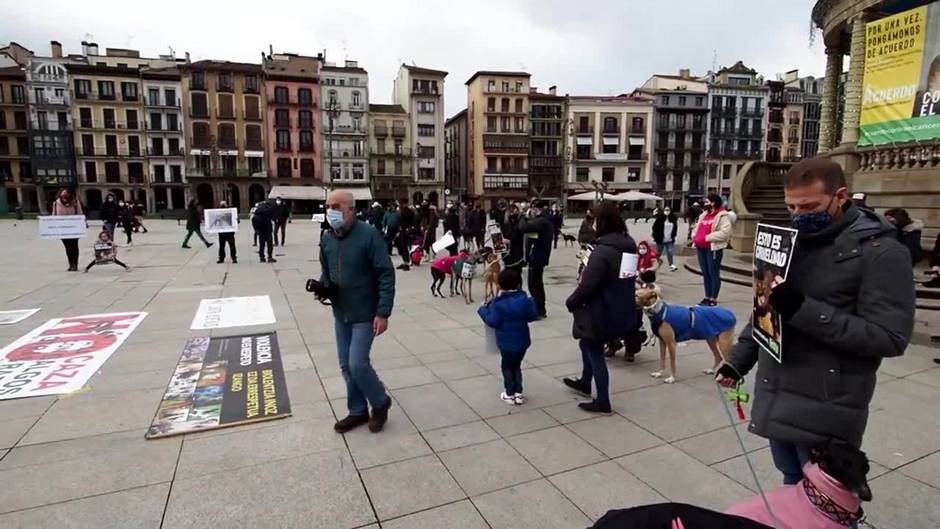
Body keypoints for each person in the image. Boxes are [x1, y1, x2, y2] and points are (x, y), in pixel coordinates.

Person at [716, 156, 915, 487]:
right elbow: (766, 306)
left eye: (808, 206)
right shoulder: (789, 241)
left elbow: (889, 337)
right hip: (778, 392)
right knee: (792, 491)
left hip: (828, 405)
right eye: (791, 207)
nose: (798, 215)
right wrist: (739, 360)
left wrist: (803, 309)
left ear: (840, 196)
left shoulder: (882, 253)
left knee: (829, 504)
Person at [318, 189, 395, 434]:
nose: (331, 211)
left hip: (366, 312)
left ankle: (380, 402)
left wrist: (383, 312)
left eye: (336, 206)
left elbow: (385, 274)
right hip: (341, 312)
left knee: (358, 363)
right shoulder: (328, 238)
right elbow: (326, 271)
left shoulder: (370, 235)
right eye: (328, 206)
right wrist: (323, 287)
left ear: (351, 209)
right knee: (345, 365)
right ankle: (357, 410)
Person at [563, 201, 638, 413]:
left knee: (593, 349)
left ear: (602, 221)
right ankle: (585, 381)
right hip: (621, 306)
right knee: (586, 344)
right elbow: (627, 277)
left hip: (601, 310)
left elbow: (588, 286)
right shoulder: (628, 246)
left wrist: (572, 301)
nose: (591, 223)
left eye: (593, 219)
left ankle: (603, 400)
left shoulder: (602, 251)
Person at [478, 269, 539, 405]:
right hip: (523, 341)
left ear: (499, 285)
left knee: (507, 366)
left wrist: (483, 310)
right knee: (516, 365)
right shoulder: (525, 300)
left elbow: (492, 321)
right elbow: (533, 315)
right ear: (519, 284)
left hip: (506, 344)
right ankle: (518, 393)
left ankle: (509, 393)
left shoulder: (497, 304)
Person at [692, 194, 732, 306]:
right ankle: (707, 296)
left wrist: (707, 237)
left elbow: (725, 233)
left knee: (713, 273)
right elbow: (697, 227)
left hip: (713, 249)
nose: (705, 204)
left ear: (713, 203)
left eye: (707, 201)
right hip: (701, 248)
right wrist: (694, 236)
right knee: (705, 273)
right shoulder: (704, 215)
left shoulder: (723, 216)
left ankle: (713, 298)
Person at [518, 200, 555, 319]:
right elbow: (531, 235)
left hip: (537, 257)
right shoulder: (545, 221)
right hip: (539, 256)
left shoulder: (541, 222)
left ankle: (539, 310)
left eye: (532, 209)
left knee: (534, 285)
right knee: (537, 284)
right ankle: (540, 309)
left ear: (536, 209)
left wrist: (523, 216)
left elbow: (523, 228)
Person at [52, 188, 83, 271]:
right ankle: (70, 263)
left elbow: (80, 213)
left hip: (74, 228)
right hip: (62, 229)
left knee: (74, 246)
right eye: (63, 195)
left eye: (66, 194)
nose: (64, 197)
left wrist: (82, 223)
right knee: (67, 247)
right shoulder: (56, 204)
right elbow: (54, 216)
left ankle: (75, 264)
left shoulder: (75, 202)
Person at [652, 206, 679, 271]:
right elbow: (654, 227)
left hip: (669, 239)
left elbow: (675, 228)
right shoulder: (660, 219)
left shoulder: (673, 219)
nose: (667, 211)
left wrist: (674, 235)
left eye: (668, 210)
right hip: (661, 239)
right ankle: (655, 263)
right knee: (659, 252)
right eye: (665, 210)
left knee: (670, 252)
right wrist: (656, 236)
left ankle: (671, 265)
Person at [503, 204, 525, 272]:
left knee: (517, 271)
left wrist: (510, 241)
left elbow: (521, 237)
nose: (514, 214)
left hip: (517, 251)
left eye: (516, 211)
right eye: (512, 212)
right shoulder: (506, 224)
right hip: (507, 252)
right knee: (508, 272)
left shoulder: (520, 222)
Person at [395, 201, 416, 271]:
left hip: (405, 232)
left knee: (404, 247)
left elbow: (406, 221)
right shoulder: (404, 211)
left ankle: (406, 263)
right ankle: (404, 262)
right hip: (403, 231)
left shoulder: (406, 211)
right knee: (402, 247)